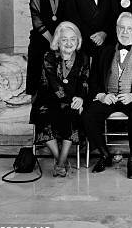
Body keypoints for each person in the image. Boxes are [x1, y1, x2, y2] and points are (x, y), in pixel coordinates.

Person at [83, 12, 132, 178]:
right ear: (116, 29)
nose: (125, 32)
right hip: (109, 97)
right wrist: (101, 95)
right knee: (88, 115)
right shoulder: (103, 52)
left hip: (131, 98)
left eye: (130, 28)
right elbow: (92, 80)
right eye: (121, 27)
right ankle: (104, 154)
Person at [29, 21, 89, 177]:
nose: (68, 43)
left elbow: (84, 80)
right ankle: (61, 161)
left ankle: (60, 162)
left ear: (78, 41)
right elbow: (55, 86)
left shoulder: (83, 57)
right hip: (48, 98)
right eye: (64, 39)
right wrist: (73, 100)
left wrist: (81, 98)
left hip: (72, 98)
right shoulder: (49, 56)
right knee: (42, 115)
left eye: (72, 39)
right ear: (57, 41)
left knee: (73, 114)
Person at [26, 0, 63, 97]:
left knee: (54, 82)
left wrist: (58, 40)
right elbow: (37, 20)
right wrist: (52, 40)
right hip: (40, 42)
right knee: (38, 81)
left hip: (57, 42)